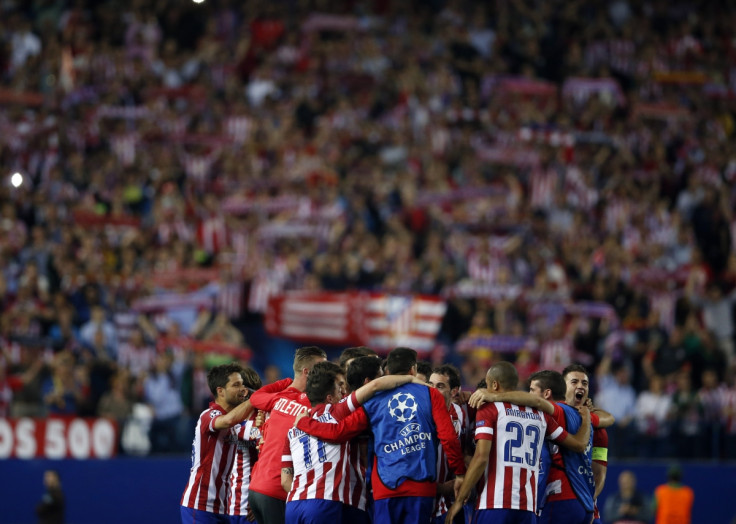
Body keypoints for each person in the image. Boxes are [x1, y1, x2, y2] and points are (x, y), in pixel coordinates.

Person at [295, 347, 467, 524]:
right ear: (413, 369)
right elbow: (448, 437)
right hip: (420, 487)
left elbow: (339, 432)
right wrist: (460, 473)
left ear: (387, 371)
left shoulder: (373, 400)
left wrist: (304, 423)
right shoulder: (431, 394)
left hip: (385, 488)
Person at [446, 362, 589, 524]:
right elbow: (578, 444)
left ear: (494, 384)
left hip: (494, 503)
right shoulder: (541, 414)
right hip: (528, 508)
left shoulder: (490, 409)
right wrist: (587, 418)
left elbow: (481, 458)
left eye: (486, 385)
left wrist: (459, 501)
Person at [248, 346, 327, 524]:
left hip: (257, 489)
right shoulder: (311, 405)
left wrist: (286, 383)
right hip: (278, 490)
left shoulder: (279, 399)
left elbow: (256, 398)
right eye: (321, 368)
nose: (326, 373)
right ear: (307, 371)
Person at [180, 363, 258, 523]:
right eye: (236, 385)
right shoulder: (208, 415)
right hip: (200, 504)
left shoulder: (237, 423)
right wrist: (257, 398)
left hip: (222, 505)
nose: (243, 389)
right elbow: (228, 420)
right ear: (220, 391)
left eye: (243, 384)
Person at [428, 365, 465, 524]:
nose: (433, 390)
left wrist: (463, 478)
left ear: (454, 391)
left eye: (440, 386)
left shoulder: (463, 412)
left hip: (450, 500)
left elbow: (470, 450)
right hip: (423, 495)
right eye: (431, 384)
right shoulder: (418, 410)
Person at [227, 366, 265, 523]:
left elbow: (267, 461)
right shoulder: (226, 417)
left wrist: (258, 499)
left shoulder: (261, 421)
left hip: (246, 507)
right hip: (225, 505)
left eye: (237, 386)